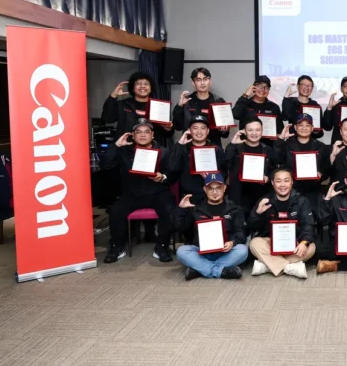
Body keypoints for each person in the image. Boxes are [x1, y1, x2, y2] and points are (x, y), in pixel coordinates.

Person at [100, 118, 177, 264]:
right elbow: (105, 164)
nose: (142, 135)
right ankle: (117, 246)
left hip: (157, 192)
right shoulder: (124, 151)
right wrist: (116, 145)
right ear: (133, 135)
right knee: (116, 211)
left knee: (169, 209)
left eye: (146, 132)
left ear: (152, 134)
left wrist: (162, 177)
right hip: (132, 194)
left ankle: (162, 246)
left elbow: (172, 173)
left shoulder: (164, 152)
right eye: (138, 132)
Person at [173, 173, 249, 280]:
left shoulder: (234, 209)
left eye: (218, 188)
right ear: (205, 189)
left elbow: (241, 233)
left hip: (226, 252)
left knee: (243, 250)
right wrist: (180, 209)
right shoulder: (196, 208)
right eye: (210, 188)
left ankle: (200, 269)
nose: (214, 192)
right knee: (181, 251)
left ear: (224, 188)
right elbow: (180, 227)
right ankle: (221, 271)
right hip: (201, 251)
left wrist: (232, 242)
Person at [247, 168, 316, 279]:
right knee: (254, 243)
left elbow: (308, 225)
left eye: (286, 180)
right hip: (270, 244)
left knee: (311, 247)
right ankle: (289, 267)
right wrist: (257, 213)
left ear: (292, 182)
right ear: (272, 183)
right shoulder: (265, 201)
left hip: (294, 243)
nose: (282, 185)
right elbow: (252, 226)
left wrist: (304, 243)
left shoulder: (301, 200)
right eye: (278, 181)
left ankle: (267, 265)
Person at [273, 113, 330, 213]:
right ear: (295, 127)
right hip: (292, 189)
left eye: (307, 125)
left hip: (313, 189)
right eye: (300, 125)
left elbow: (326, 167)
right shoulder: (287, 144)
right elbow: (276, 159)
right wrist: (281, 139)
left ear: (312, 128)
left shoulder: (320, 146)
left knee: (312, 215)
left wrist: (321, 174)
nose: (304, 128)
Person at [102, 71, 174, 146]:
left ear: (151, 89)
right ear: (132, 88)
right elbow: (107, 118)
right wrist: (113, 95)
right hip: (124, 148)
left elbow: (166, 134)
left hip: (149, 150)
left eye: (146, 84)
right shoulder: (123, 104)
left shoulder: (158, 107)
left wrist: (168, 128)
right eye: (138, 83)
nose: (142, 86)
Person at [169, 115, 225, 203]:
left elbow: (224, 174)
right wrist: (180, 144)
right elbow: (172, 168)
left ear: (208, 131)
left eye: (203, 128)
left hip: (210, 195)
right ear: (189, 131)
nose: (199, 131)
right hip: (188, 195)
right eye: (195, 128)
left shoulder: (217, 150)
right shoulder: (182, 148)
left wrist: (211, 178)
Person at [224, 117, 273, 217]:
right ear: (244, 131)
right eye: (250, 130)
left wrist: (268, 178)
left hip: (261, 194)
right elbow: (225, 164)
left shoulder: (268, 150)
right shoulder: (236, 148)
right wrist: (232, 144)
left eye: (257, 130)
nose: (254, 133)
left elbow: (274, 170)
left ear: (262, 131)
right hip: (239, 195)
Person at [172, 67, 230, 147]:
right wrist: (180, 105)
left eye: (205, 79)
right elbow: (177, 126)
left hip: (213, 146)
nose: (202, 83)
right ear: (193, 83)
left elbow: (225, 135)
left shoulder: (218, 101)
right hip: (189, 146)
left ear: (210, 81)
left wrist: (224, 129)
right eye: (198, 80)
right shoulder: (187, 101)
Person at [232, 75, 284, 147]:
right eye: (260, 86)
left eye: (266, 87)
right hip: (245, 145)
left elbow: (280, 129)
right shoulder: (245, 103)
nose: (263, 89)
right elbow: (235, 114)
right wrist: (245, 95)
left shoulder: (274, 107)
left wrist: (278, 137)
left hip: (268, 147)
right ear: (253, 87)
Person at [281, 75, 324, 140]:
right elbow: (285, 117)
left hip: (310, 142)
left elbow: (320, 132)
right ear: (298, 86)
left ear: (312, 89)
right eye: (304, 85)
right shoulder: (291, 102)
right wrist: (286, 97)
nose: (307, 88)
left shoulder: (316, 106)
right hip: (293, 141)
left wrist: (316, 131)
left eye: (309, 86)